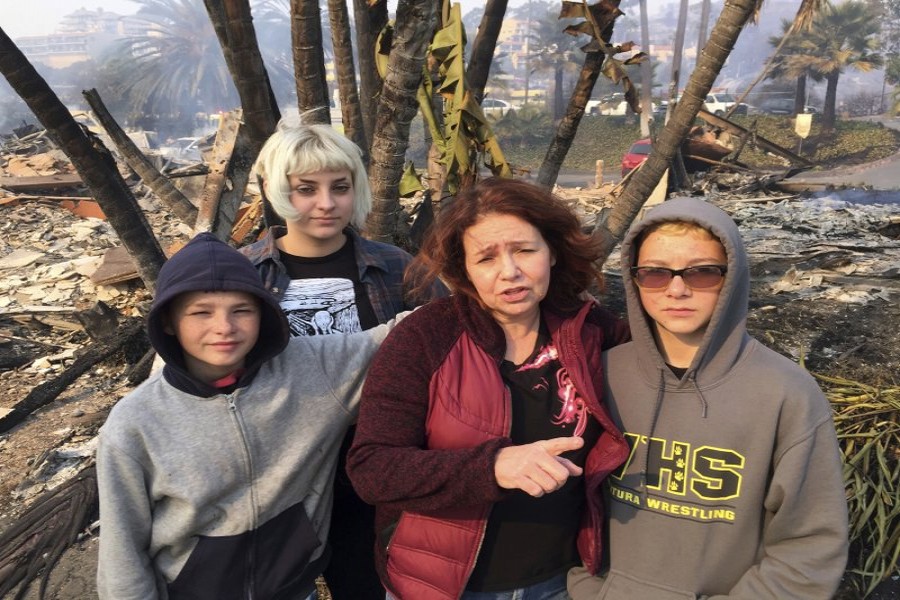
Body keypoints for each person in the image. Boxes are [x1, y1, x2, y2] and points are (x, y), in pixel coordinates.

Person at [346, 177, 632, 600]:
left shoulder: (592, 331)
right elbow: (372, 470)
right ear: (464, 270)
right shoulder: (424, 337)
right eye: (486, 258)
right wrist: (493, 467)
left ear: (552, 251)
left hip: (563, 581)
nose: (510, 272)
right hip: (440, 586)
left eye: (524, 250)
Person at [96, 232, 405, 599]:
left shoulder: (313, 369)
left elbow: (398, 337)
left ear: (263, 313)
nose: (224, 327)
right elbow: (121, 555)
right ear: (168, 321)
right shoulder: (135, 424)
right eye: (201, 312)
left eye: (241, 310)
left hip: (295, 589)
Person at [567, 197, 849, 599]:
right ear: (633, 279)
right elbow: (565, 508)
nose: (677, 289)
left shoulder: (786, 394)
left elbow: (809, 546)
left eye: (702, 273)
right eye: (655, 273)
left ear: (732, 277)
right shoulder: (600, 376)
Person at [240, 121, 446, 599]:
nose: (326, 204)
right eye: (306, 189)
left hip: (370, 468)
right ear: (278, 191)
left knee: (368, 585)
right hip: (282, 471)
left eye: (341, 187)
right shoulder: (246, 275)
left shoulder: (396, 266)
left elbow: (444, 353)